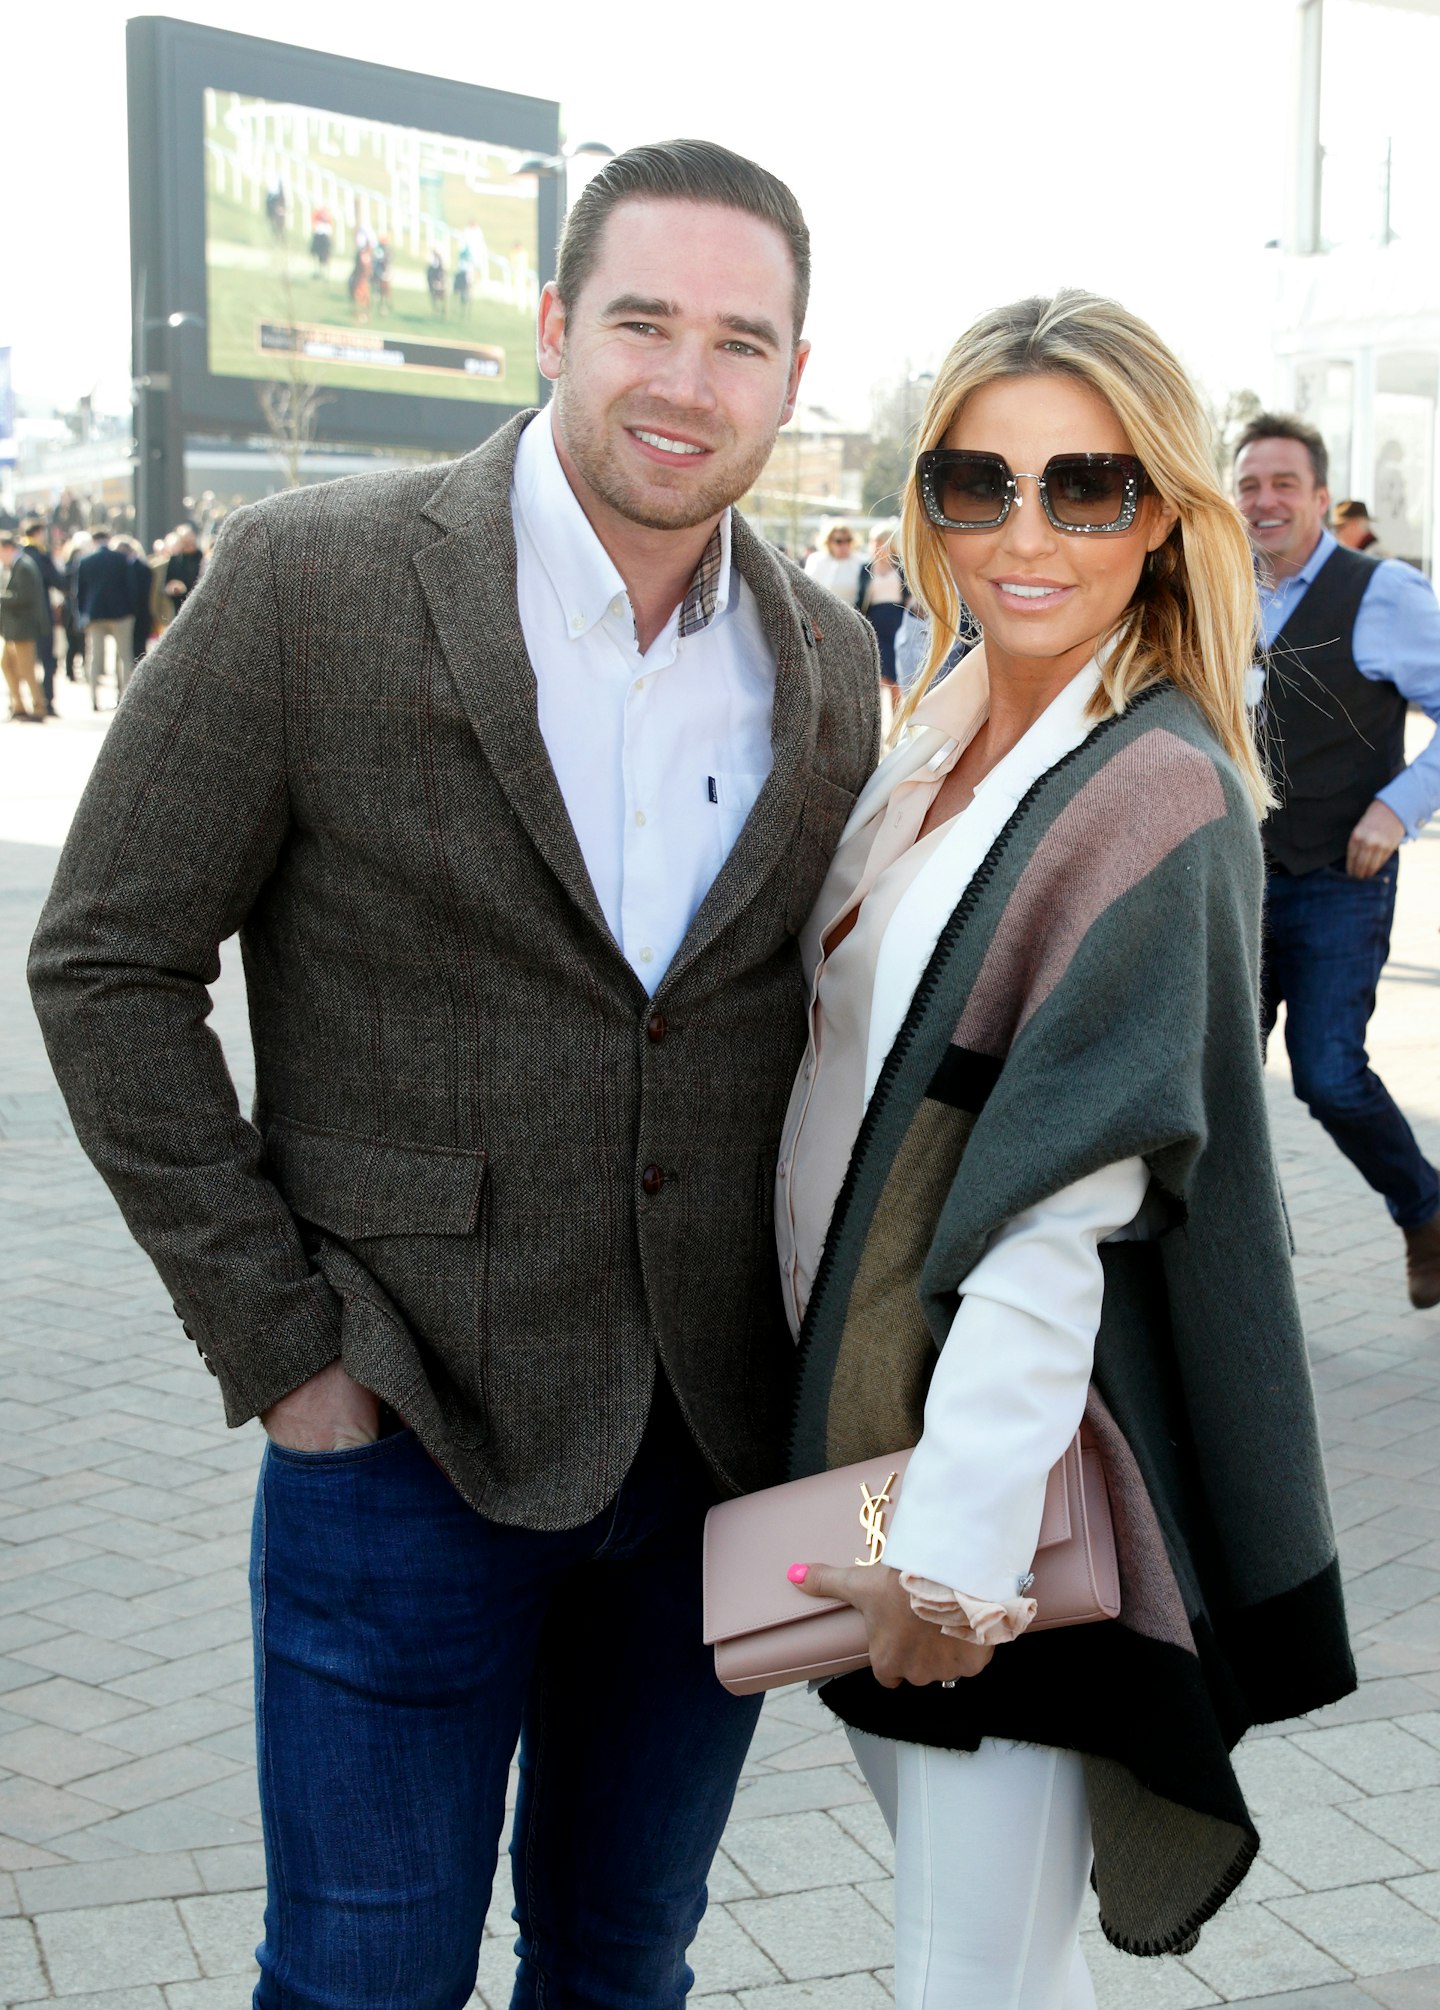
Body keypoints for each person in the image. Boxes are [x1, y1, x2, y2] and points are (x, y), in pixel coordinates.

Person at [29, 138, 879, 2009]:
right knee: (361, 1978)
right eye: (644, 321)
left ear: (795, 382)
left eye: (742, 341)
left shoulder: (824, 655)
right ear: (559, 325)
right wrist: (286, 1352)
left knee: (624, 1958)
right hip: (403, 1426)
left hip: (718, 1455)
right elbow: (105, 960)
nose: (686, 378)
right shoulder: (311, 582)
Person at [778, 292, 1354, 2007]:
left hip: (1001, 1488)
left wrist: (951, 1560)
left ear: (1161, 512)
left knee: (970, 1980)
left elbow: (1062, 1211)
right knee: (1007, 1975)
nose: (1023, 534)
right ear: (928, 504)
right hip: (873, 1440)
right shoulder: (945, 731)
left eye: (1085, 488)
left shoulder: (1146, 789)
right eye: (979, 483)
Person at [1234, 414, 1440, 1309]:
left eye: (1284, 485)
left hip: (1338, 878)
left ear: (1321, 498)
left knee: (1326, 1071)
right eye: (1249, 485)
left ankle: (1426, 1207)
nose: (1264, 501)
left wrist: (1397, 809)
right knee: (1222, 1089)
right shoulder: (1219, 589)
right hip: (1237, 878)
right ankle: (1251, 1282)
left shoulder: (1382, 592)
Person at [75, 525, 138, 708]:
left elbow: (80, 592)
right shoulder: (120, 559)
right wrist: (133, 609)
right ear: (108, 539)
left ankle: (94, 699)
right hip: (121, 612)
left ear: (94, 541)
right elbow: (131, 586)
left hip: (95, 614)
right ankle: (125, 697)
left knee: (95, 656)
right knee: (125, 656)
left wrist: (82, 615)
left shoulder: (86, 560)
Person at [1, 528, 48, 722]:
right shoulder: (16, 566)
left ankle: (38, 707)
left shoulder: (24, 566)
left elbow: (25, 597)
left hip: (23, 628)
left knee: (27, 669)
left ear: (8, 548)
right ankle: (18, 705)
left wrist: (2, 597)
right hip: (13, 629)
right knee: (7, 664)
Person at [20, 519, 65, 715]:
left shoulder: (19, 555)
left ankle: (28, 701)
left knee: (25, 661)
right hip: (43, 617)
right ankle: (46, 701)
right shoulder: (41, 556)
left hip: (22, 618)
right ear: (38, 533)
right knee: (47, 660)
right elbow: (58, 581)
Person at [856, 522, 908, 687]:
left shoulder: (902, 566)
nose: (877, 545)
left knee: (896, 672)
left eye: (881, 541)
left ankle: (898, 712)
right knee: (878, 670)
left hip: (897, 619)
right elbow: (861, 597)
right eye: (874, 541)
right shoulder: (866, 568)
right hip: (874, 619)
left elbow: (909, 595)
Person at [804, 519, 863, 601]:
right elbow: (808, 589)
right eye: (839, 541)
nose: (844, 545)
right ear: (828, 541)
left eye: (848, 540)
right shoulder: (816, 560)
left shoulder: (860, 562)